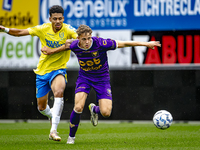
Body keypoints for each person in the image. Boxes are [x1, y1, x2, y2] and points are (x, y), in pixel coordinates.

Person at [41, 24, 161, 144]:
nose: (87, 41)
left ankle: (94, 109)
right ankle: (71, 138)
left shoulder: (101, 43)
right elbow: (65, 45)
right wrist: (51, 51)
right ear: (78, 39)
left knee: (106, 112)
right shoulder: (74, 45)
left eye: (89, 38)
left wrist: (146, 44)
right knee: (78, 107)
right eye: (84, 39)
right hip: (85, 78)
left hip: (102, 79)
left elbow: (124, 43)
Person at [0, 5, 77, 141]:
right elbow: (20, 32)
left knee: (59, 92)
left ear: (63, 18)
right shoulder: (43, 29)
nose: (58, 21)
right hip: (42, 71)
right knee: (41, 107)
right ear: (50, 19)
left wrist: (58, 48)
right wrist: (5, 29)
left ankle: (53, 130)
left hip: (59, 69)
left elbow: (76, 41)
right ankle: (52, 114)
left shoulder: (68, 29)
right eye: (55, 19)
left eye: (60, 18)